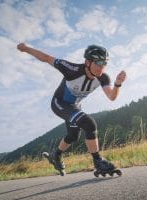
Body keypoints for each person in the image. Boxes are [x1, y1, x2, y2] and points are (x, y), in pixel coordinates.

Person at [17, 43, 126, 176]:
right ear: (87, 62)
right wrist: (26, 48)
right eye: (98, 62)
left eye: (104, 62)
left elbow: (111, 96)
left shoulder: (103, 77)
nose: (101, 66)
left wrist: (117, 84)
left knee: (73, 136)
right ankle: (98, 161)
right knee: (89, 124)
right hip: (59, 103)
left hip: (75, 106)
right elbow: (46, 58)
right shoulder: (72, 69)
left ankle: (55, 156)